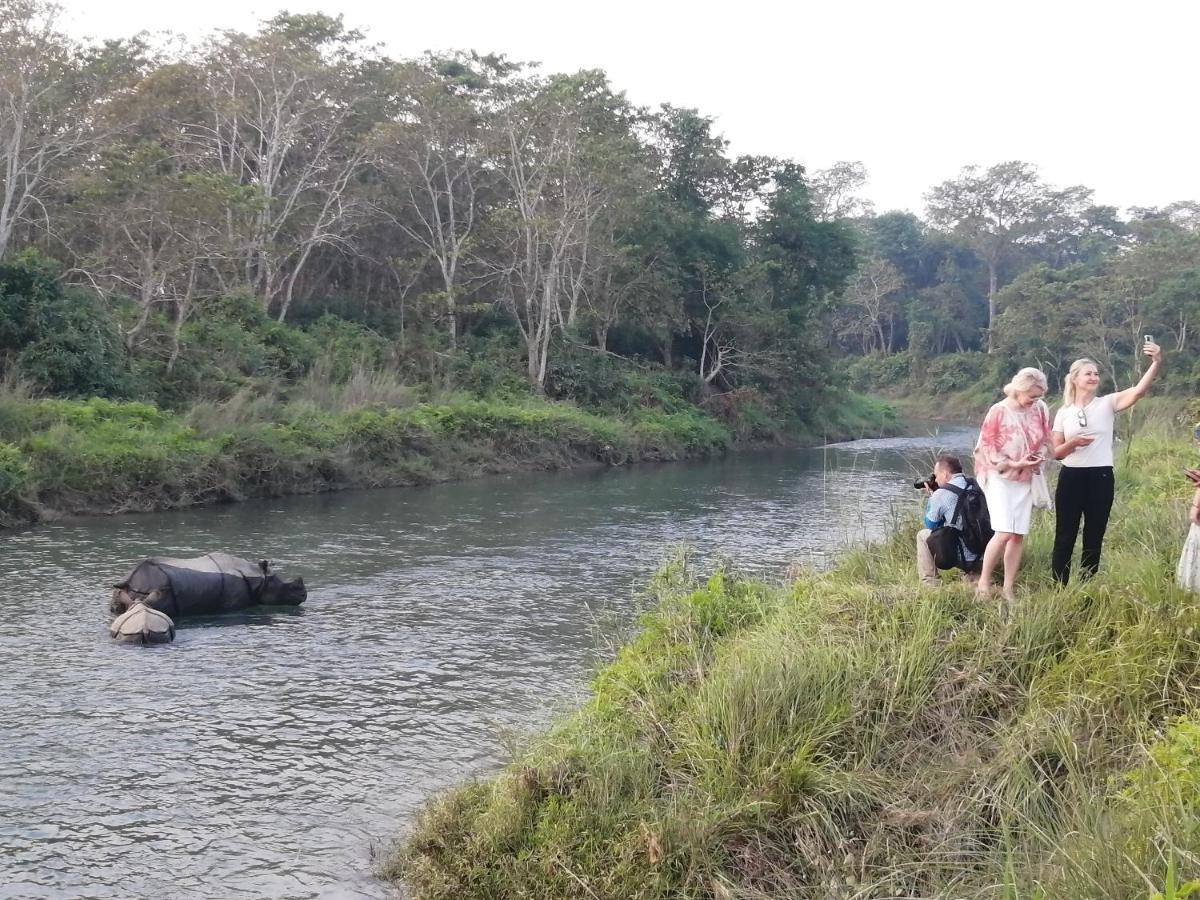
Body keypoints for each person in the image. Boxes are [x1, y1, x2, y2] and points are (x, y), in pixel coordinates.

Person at [1050, 342, 1162, 584]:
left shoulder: (1107, 403)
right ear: (1075, 379)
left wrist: (1156, 363)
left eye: (1096, 374)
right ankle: (1058, 587)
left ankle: (1086, 586)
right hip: (1071, 477)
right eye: (1088, 373)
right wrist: (1073, 444)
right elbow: (1056, 453)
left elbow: (1138, 392)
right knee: (1064, 535)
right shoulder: (1064, 412)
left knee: (1094, 535)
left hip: (1100, 477)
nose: (1094, 377)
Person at [973, 367, 1053, 601]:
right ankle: (984, 583)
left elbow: (1046, 439)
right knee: (1004, 531)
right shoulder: (998, 411)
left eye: (1039, 396)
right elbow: (986, 449)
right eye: (1032, 396)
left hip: (1026, 476)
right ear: (1019, 390)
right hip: (1000, 476)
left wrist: (1038, 456)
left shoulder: (1040, 409)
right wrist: (1014, 462)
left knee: (1018, 534)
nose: (1035, 401)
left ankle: (1008, 587)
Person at [916, 454, 981, 586]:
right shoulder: (976, 485)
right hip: (985, 554)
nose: (935, 479)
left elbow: (930, 525)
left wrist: (932, 497)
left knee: (923, 535)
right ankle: (973, 574)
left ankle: (930, 583)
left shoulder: (941, 494)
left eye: (936, 475)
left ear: (945, 474)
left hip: (963, 556)